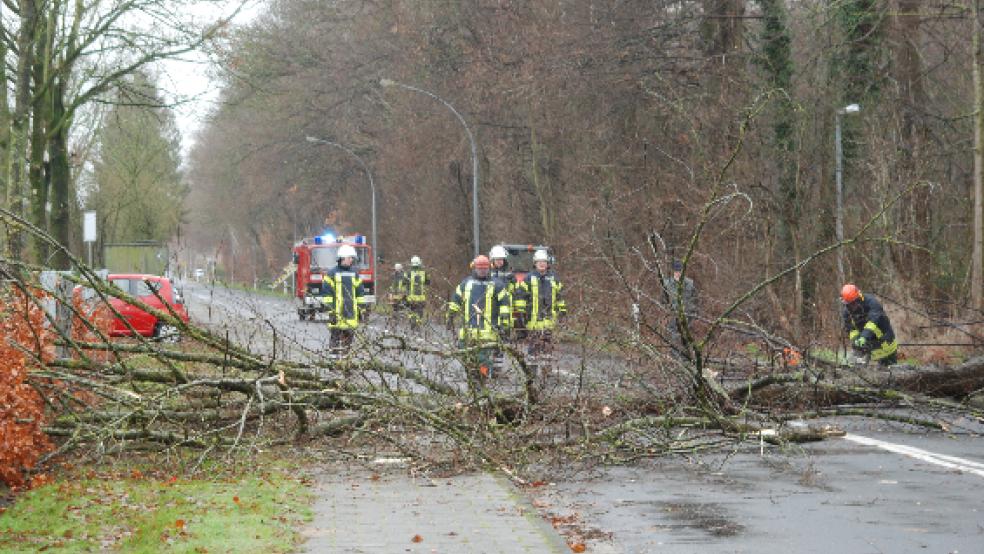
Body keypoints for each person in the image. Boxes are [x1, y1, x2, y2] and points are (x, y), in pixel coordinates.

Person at [447, 255, 511, 383]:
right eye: (480, 268)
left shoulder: (497, 285)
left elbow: (505, 305)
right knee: (468, 360)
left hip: (487, 334)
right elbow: (456, 301)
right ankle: (474, 381)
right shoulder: (466, 284)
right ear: (474, 268)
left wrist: (504, 323)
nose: (482, 271)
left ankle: (482, 382)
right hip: (468, 333)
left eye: (485, 268)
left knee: (483, 361)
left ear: (489, 268)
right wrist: (450, 315)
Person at [517, 249, 567, 365]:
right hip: (533, 321)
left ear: (547, 263)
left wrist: (562, 312)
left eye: (544, 262)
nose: (542, 264)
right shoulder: (528, 278)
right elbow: (521, 297)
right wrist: (521, 315)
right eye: (539, 262)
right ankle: (532, 373)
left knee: (547, 348)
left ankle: (546, 373)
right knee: (533, 348)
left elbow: (560, 297)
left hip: (549, 321)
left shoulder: (554, 278)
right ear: (535, 263)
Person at [321, 244, 366, 357]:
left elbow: (360, 293)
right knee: (335, 341)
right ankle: (333, 364)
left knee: (348, 343)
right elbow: (327, 295)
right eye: (350, 257)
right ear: (342, 258)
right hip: (337, 314)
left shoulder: (355, 273)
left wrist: (361, 310)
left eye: (352, 258)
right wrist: (331, 312)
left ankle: (346, 364)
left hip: (351, 315)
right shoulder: (331, 274)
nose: (351, 260)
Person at [841, 284, 898, 365]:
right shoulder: (847, 312)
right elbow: (851, 329)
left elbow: (873, 321)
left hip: (885, 342)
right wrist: (856, 340)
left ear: (858, 299)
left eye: (853, 303)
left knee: (890, 370)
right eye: (849, 304)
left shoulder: (872, 303)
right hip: (869, 346)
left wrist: (864, 337)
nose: (852, 307)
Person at [662, 259, 698, 360]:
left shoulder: (690, 283)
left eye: (680, 271)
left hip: (687, 315)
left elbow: (695, 299)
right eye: (676, 271)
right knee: (673, 335)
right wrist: (668, 311)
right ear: (673, 271)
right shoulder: (666, 283)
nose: (678, 273)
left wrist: (693, 311)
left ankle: (686, 357)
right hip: (673, 315)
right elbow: (663, 299)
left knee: (686, 336)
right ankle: (674, 356)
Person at [489, 245, 518, 332]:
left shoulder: (508, 272)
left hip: (505, 305)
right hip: (491, 303)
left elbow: (514, 290)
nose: (499, 261)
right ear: (492, 260)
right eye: (497, 259)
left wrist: (513, 282)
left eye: (501, 259)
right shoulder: (487, 272)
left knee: (505, 327)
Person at [406, 255, 430, 326]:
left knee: (411, 311)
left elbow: (404, 283)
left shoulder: (408, 273)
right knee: (420, 312)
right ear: (419, 263)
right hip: (421, 298)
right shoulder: (424, 273)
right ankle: (417, 323)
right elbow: (428, 282)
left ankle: (412, 321)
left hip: (411, 297)